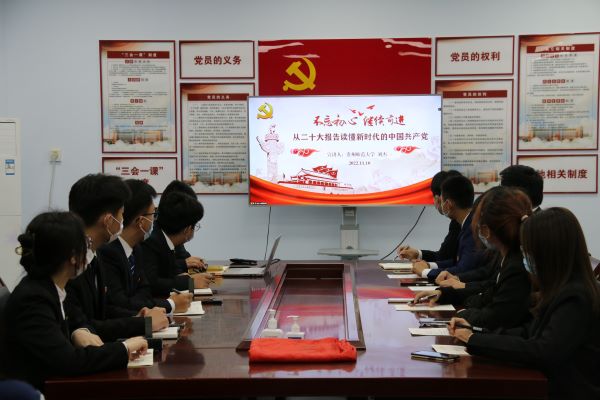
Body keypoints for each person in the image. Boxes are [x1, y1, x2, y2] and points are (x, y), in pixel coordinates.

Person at [449, 208, 600, 399]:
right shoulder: (562, 288)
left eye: (528, 251)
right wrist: (475, 333)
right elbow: (529, 332)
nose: (525, 258)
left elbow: (542, 350)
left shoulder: (576, 296)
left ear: (549, 252)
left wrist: (474, 340)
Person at [3, 212, 147, 390]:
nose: (88, 249)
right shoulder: (33, 299)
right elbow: (68, 361)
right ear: (73, 256)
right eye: (85, 243)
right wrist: (124, 348)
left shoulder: (50, 289)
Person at [65, 174, 168, 342]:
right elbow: (83, 326)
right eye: (121, 214)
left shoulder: (94, 254)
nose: (122, 221)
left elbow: (105, 309)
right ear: (108, 220)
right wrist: (143, 324)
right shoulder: (70, 263)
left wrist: (138, 316)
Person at [414, 186, 532, 330]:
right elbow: (490, 292)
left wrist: (461, 314)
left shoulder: (516, 265)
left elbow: (496, 316)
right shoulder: (509, 257)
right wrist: (443, 294)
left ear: (486, 230)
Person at [99, 179, 192, 315]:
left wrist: (139, 302)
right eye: (153, 214)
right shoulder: (108, 253)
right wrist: (171, 304)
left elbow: (145, 291)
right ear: (141, 221)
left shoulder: (136, 249)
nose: (154, 220)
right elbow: (120, 302)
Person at [412, 175, 481, 281]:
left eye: (442, 200)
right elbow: (458, 262)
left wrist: (425, 272)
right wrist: (429, 265)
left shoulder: (471, 229)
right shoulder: (467, 223)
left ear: (448, 204)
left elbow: (463, 269)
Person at [142, 191, 212, 297]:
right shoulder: (152, 244)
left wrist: (186, 277)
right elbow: (152, 284)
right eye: (195, 226)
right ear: (187, 229)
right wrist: (190, 282)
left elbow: (173, 274)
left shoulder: (166, 242)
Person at [397, 170, 462, 262]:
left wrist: (427, 267)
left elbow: (448, 260)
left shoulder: (460, 224)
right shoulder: (459, 222)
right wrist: (417, 253)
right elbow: (444, 256)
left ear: (439, 199)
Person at [157, 180, 206, 272]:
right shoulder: (150, 231)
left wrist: (193, 262)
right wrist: (183, 264)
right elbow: (154, 271)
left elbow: (182, 256)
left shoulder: (176, 231)